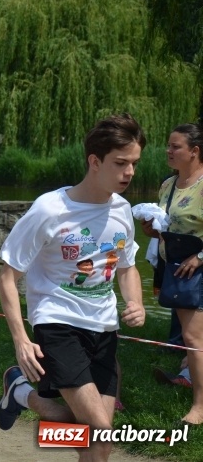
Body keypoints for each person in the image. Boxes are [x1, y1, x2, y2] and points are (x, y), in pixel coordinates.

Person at [0, 113, 146, 461]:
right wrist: (21, 340)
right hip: (59, 324)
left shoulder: (123, 210)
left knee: (94, 441)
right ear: (95, 161)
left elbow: (127, 267)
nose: (129, 172)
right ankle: (22, 392)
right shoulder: (49, 210)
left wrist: (135, 302)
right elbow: (7, 278)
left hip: (104, 329)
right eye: (120, 163)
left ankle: (21, 394)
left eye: (134, 163)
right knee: (99, 432)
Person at [141, 123, 203, 424]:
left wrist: (200, 257)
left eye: (175, 146)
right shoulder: (168, 185)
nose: (168, 150)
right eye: (168, 144)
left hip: (198, 268)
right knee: (194, 337)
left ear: (194, 151)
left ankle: (199, 408)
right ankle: (189, 373)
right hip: (177, 268)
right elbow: (167, 227)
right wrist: (152, 230)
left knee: (193, 337)